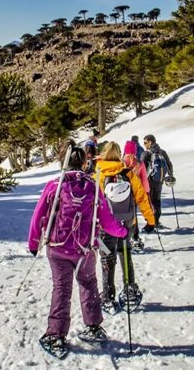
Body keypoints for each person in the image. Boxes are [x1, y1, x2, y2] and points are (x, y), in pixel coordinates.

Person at [27, 140, 129, 356]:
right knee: (88, 284)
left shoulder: (55, 185)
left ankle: (56, 335)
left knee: (62, 289)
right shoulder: (92, 185)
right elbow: (106, 219)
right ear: (84, 163)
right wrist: (122, 232)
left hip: (58, 247)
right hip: (85, 249)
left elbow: (38, 215)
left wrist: (34, 243)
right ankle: (93, 326)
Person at [95, 142, 155, 311]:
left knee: (107, 258)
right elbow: (142, 197)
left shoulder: (98, 175)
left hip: (105, 227)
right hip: (126, 223)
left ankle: (107, 297)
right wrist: (150, 220)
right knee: (125, 252)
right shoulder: (127, 173)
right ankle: (129, 289)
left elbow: (93, 203)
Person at [140, 134, 173, 232]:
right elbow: (169, 164)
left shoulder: (146, 153)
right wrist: (170, 176)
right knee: (157, 201)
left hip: (149, 181)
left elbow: (142, 168)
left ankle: (150, 223)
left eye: (145, 142)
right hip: (159, 180)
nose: (144, 144)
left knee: (149, 201)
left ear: (150, 142)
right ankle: (157, 221)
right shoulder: (162, 152)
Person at [123, 140, 149, 251]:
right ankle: (135, 237)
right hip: (134, 194)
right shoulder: (139, 163)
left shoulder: (121, 162)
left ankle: (122, 236)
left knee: (121, 215)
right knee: (133, 216)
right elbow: (144, 180)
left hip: (121, 194)